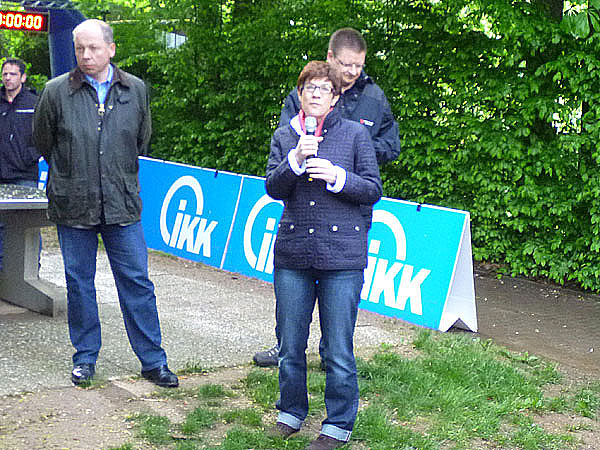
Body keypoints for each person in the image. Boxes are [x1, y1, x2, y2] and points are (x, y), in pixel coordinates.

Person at [32, 19, 178, 388]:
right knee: (79, 284)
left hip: (121, 203)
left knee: (137, 282)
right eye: (79, 48)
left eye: (93, 48)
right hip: (73, 204)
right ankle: (85, 358)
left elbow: (140, 139)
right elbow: (44, 142)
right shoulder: (55, 92)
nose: (85, 55)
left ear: (111, 49)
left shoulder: (135, 89)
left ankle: (153, 361)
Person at [253, 27, 401, 367]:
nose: (353, 71)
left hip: (351, 207)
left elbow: (391, 145)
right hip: (304, 208)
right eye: (346, 64)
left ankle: (331, 353)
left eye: (358, 65)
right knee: (294, 289)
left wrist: (355, 149)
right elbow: (286, 139)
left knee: (340, 293)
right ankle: (286, 345)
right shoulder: (304, 92)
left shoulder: (374, 96)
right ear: (331, 57)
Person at [266, 60, 381, 449]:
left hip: (342, 256)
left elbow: (372, 189)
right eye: (309, 88)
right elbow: (273, 188)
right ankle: (290, 411)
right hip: (294, 254)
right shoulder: (286, 135)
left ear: (335, 98)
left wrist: (338, 177)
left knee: (337, 347)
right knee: (290, 343)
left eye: (323, 89)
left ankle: (338, 423)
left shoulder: (354, 135)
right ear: (300, 95)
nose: (315, 94)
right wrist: (295, 160)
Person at [0, 58, 40, 270]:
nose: (8, 78)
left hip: (25, 175)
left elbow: (46, 134)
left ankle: (31, 271)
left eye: (13, 74)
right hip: (1, 174)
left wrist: (30, 155)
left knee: (28, 226)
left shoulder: (35, 103)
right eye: (5, 74)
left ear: (23, 77)